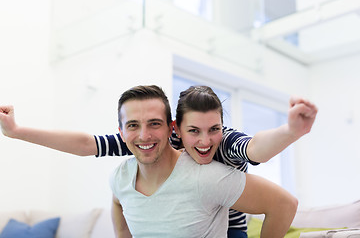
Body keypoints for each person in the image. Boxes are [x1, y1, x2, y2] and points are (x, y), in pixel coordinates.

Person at [0, 86, 317, 238]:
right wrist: (15, 132)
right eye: (194, 131)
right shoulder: (137, 157)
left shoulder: (222, 152)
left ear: (168, 127)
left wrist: (290, 131)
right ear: (178, 129)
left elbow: (255, 149)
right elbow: (86, 146)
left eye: (213, 129)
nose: (204, 141)